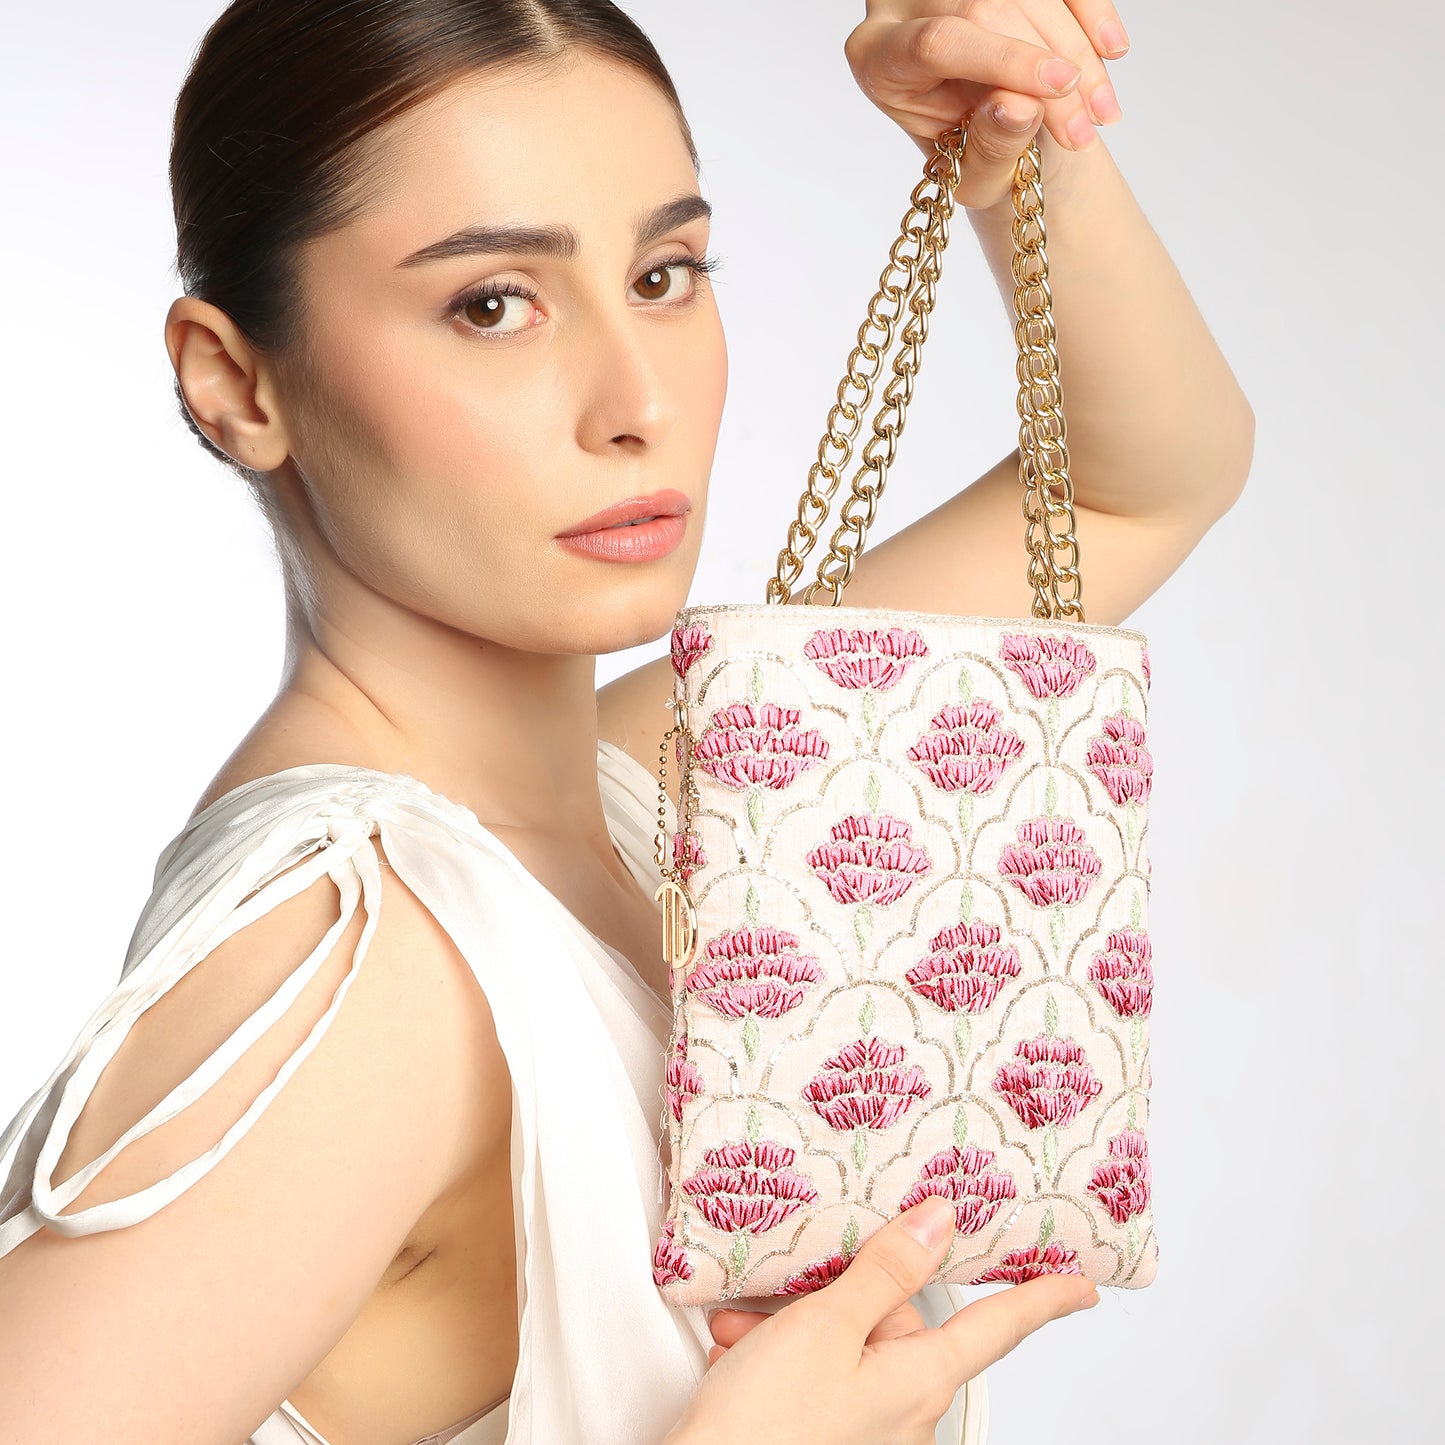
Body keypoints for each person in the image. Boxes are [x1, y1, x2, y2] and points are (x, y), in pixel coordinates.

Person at [0, 2, 1253, 1442]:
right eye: (491, 303)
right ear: (237, 380)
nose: (638, 399)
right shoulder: (376, 968)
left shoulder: (677, 781)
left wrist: (1018, 133)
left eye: (665, 273)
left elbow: (1136, 482)